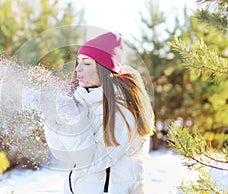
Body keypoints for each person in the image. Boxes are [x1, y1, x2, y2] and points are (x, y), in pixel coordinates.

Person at [44, 32, 155, 194]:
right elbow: (61, 153)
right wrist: (51, 115)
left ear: (105, 69)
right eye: (78, 62)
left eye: (87, 63)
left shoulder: (123, 109)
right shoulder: (84, 101)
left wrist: (74, 120)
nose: (78, 69)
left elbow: (94, 162)